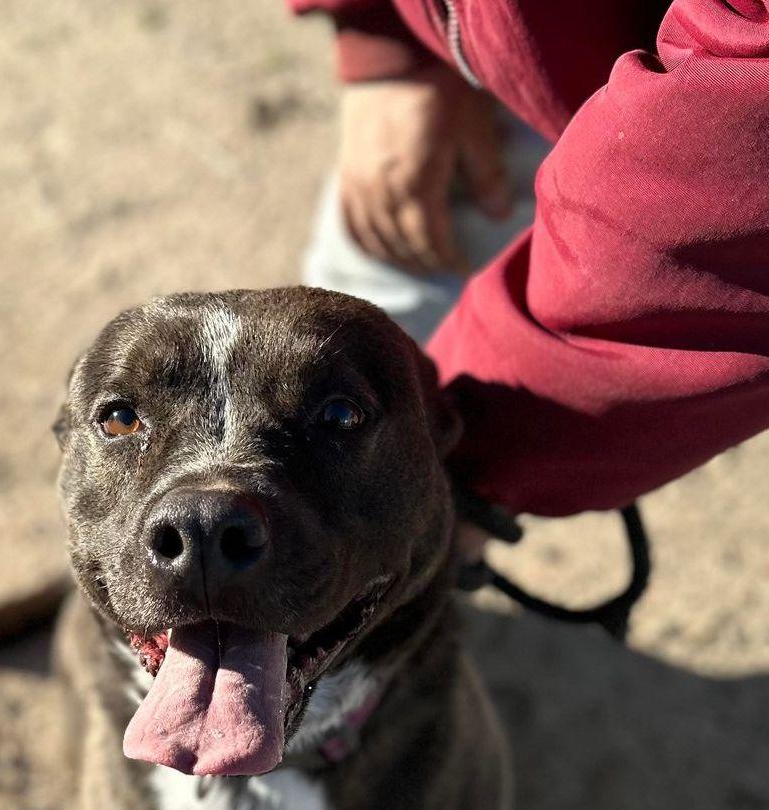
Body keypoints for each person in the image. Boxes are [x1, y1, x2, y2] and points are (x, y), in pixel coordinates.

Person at [290, 0, 769, 541]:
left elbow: (740, 155)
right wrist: (384, 40)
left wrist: (466, 464)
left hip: (687, 96)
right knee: (354, 304)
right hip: (501, 42)